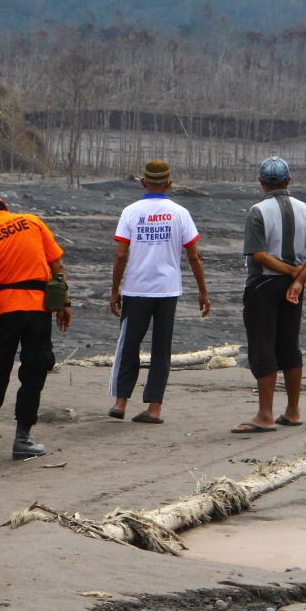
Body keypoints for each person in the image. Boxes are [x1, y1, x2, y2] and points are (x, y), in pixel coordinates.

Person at [0, 191, 71, 460]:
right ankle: (22, 438)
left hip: (6, 310)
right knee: (34, 372)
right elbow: (57, 267)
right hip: (38, 309)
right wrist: (64, 303)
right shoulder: (33, 222)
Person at [108, 160, 211, 424]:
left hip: (136, 288)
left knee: (129, 345)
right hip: (167, 291)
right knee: (161, 349)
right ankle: (154, 408)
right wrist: (203, 292)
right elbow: (194, 256)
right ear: (169, 183)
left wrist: (114, 290)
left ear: (143, 182)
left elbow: (121, 255)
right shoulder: (180, 213)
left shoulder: (130, 212)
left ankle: (121, 402)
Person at [233, 157, 306, 434]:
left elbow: (259, 255)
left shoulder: (257, 211)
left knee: (262, 346)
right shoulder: (305, 209)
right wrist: (298, 280)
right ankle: (293, 410)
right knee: (289, 344)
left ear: (261, 182)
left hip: (263, 286)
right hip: (292, 287)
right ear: (289, 180)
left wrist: (290, 273)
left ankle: (265, 415)